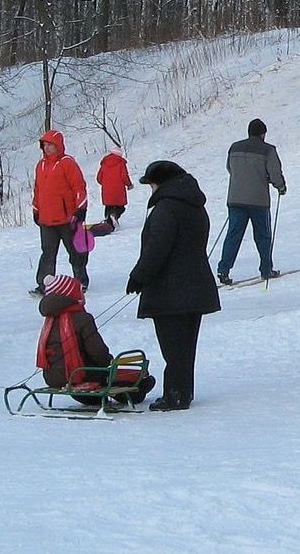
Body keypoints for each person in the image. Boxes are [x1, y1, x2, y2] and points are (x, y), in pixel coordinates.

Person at [126, 160, 222, 411]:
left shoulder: (166, 210)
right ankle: (182, 392)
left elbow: (157, 249)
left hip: (171, 291)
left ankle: (175, 395)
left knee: (173, 347)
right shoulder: (195, 206)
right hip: (196, 285)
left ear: (161, 183)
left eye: (152, 184)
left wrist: (139, 276)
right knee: (186, 345)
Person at [36, 274, 155, 405]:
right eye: (79, 292)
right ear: (70, 295)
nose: (82, 296)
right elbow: (96, 350)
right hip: (81, 374)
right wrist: (107, 361)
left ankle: (96, 397)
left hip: (52, 377)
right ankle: (136, 390)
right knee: (139, 378)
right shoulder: (82, 318)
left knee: (106, 379)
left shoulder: (50, 320)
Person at [219, 119, 287, 283]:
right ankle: (266, 269)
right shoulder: (268, 150)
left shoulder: (234, 147)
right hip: (258, 201)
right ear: (263, 134)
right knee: (263, 235)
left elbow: (229, 168)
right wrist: (280, 186)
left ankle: (223, 270)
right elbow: (274, 172)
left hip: (235, 199)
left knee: (233, 235)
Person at [33, 130, 90, 291]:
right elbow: (37, 190)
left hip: (67, 218)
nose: (47, 148)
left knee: (75, 251)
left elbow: (79, 187)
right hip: (46, 219)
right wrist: (36, 209)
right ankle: (44, 284)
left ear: (58, 145)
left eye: (50, 145)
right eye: (45, 145)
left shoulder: (67, 163)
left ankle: (81, 281)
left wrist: (80, 209)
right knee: (47, 254)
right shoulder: (41, 165)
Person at [97, 147, 134, 229]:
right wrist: (129, 184)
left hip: (106, 189)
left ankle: (108, 224)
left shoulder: (104, 163)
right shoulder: (121, 163)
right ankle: (115, 215)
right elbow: (124, 176)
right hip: (119, 189)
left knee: (108, 206)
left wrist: (105, 184)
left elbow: (99, 178)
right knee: (121, 207)